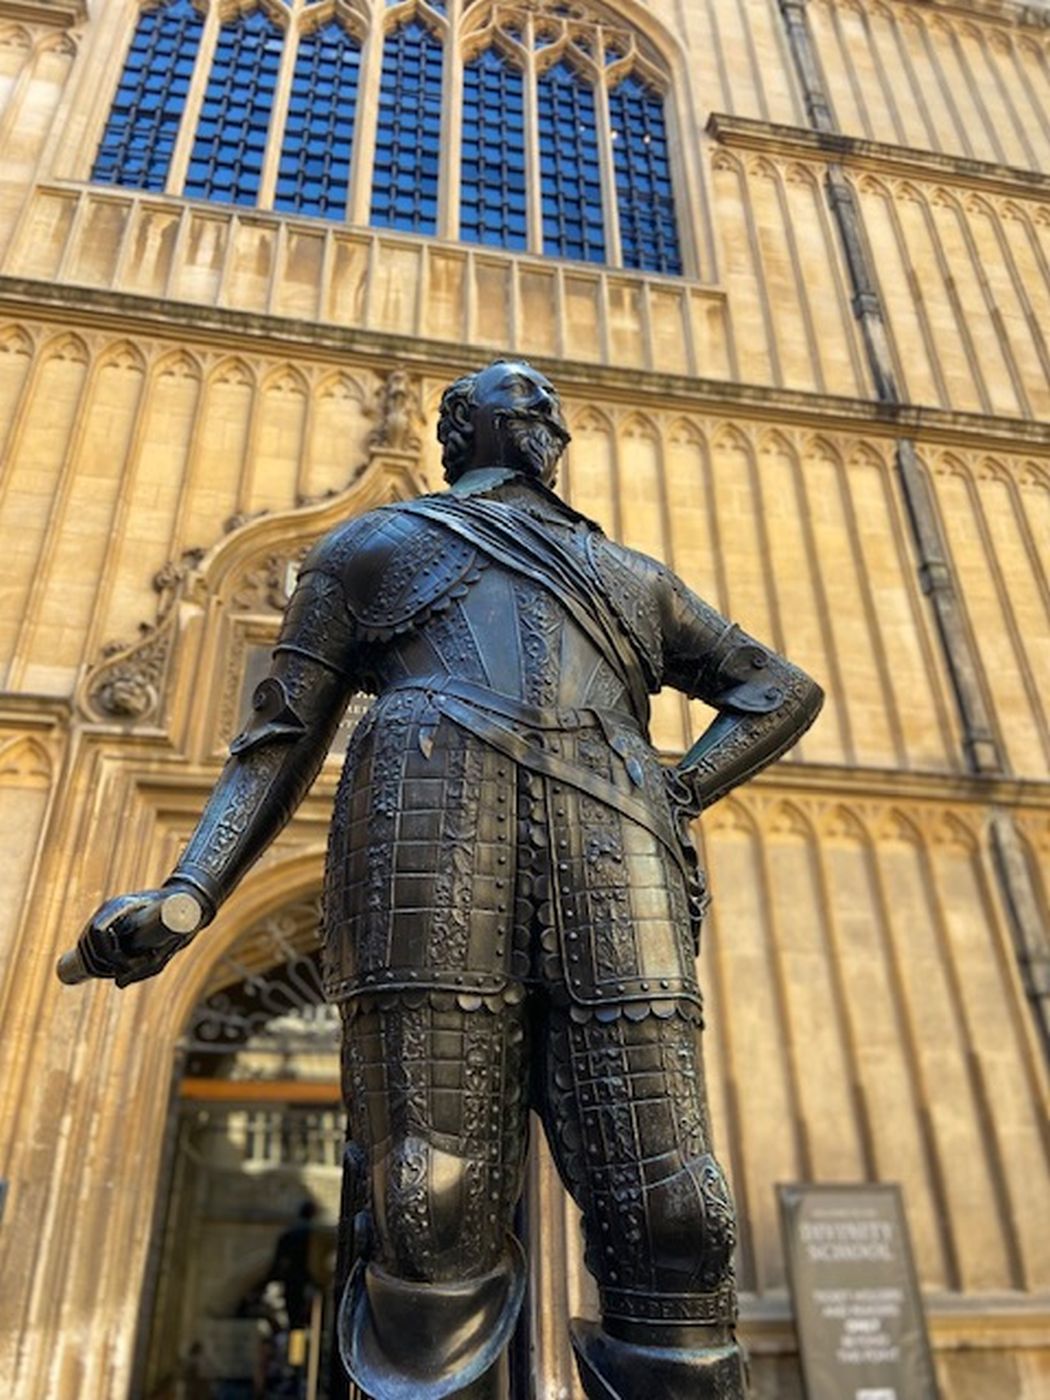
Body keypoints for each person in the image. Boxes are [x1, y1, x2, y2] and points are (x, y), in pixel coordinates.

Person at [62, 361, 822, 1399]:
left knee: (679, 1216)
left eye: (554, 405)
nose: (548, 415)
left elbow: (779, 690)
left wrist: (671, 790)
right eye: (523, 400)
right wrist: (190, 890)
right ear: (461, 427)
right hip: (430, 836)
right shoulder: (376, 546)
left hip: (616, 860)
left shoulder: (630, 576)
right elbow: (279, 737)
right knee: (431, 1199)